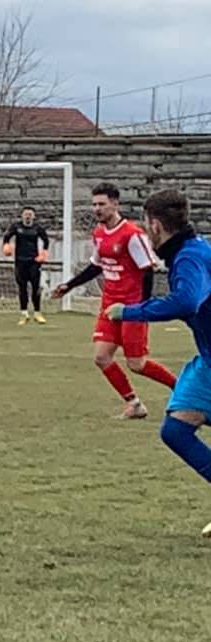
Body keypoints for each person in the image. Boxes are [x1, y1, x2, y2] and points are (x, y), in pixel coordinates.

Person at [104, 190, 211, 535]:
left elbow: (187, 301)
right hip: (207, 360)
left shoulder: (190, 256)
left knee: (177, 430)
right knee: (176, 429)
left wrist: (130, 312)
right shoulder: (193, 250)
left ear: (155, 224)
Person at [53, 183, 176, 419]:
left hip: (131, 306)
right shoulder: (99, 233)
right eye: (94, 204)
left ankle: (181, 389)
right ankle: (134, 404)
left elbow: (147, 270)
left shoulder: (132, 234)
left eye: (102, 204)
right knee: (101, 357)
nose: (97, 209)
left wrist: (142, 308)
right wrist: (69, 286)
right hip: (110, 304)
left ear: (115, 204)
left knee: (137, 363)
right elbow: (96, 266)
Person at [2, 206, 50, 325]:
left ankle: (38, 313)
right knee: (22, 288)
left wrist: (43, 253)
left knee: (35, 288)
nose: (28, 216)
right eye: (26, 214)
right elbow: (6, 237)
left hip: (34, 261)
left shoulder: (37, 228)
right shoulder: (16, 227)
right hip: (20, 261)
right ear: (22, 215)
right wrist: (6, 246)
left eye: (30, 214)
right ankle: (24, 314)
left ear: (33, 216)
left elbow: (46, 240)